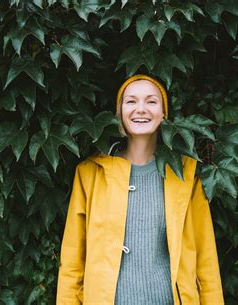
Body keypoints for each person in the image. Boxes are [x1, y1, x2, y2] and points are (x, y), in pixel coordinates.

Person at [56, 74, 224, 305]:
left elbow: (207, 262)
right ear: (119, 113)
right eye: (131, 101)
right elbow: (72, 264)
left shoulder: (185, 174)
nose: (141, 109)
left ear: (164, 113)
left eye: (151, 101)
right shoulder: (89, 173)